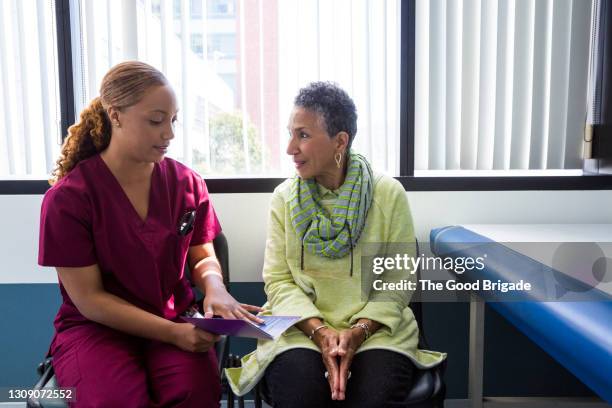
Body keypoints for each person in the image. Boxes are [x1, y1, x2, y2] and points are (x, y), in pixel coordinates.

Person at [38, 61, 261, 408]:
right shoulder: (69, 199)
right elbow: (90, 300)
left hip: (175, 319)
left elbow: (202, 251)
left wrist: (215, 289)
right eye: (156, 121)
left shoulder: (187, 183)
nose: (169, 134)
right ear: (115, 115)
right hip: (98, 329)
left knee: (194, 395)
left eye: (174, 120)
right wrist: (173, 333)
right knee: (116, 401)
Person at [225, 82, 446, 407]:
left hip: (376, 332)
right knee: (301, 392)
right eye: (290, 133)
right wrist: (321, 332)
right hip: (298, 329)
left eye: (302, 135)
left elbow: (398, 281)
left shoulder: (387, 194)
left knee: (372, 395)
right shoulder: (284, 198)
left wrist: (357, 332)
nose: (290, 148)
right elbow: (279, 281)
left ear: (340, 141)